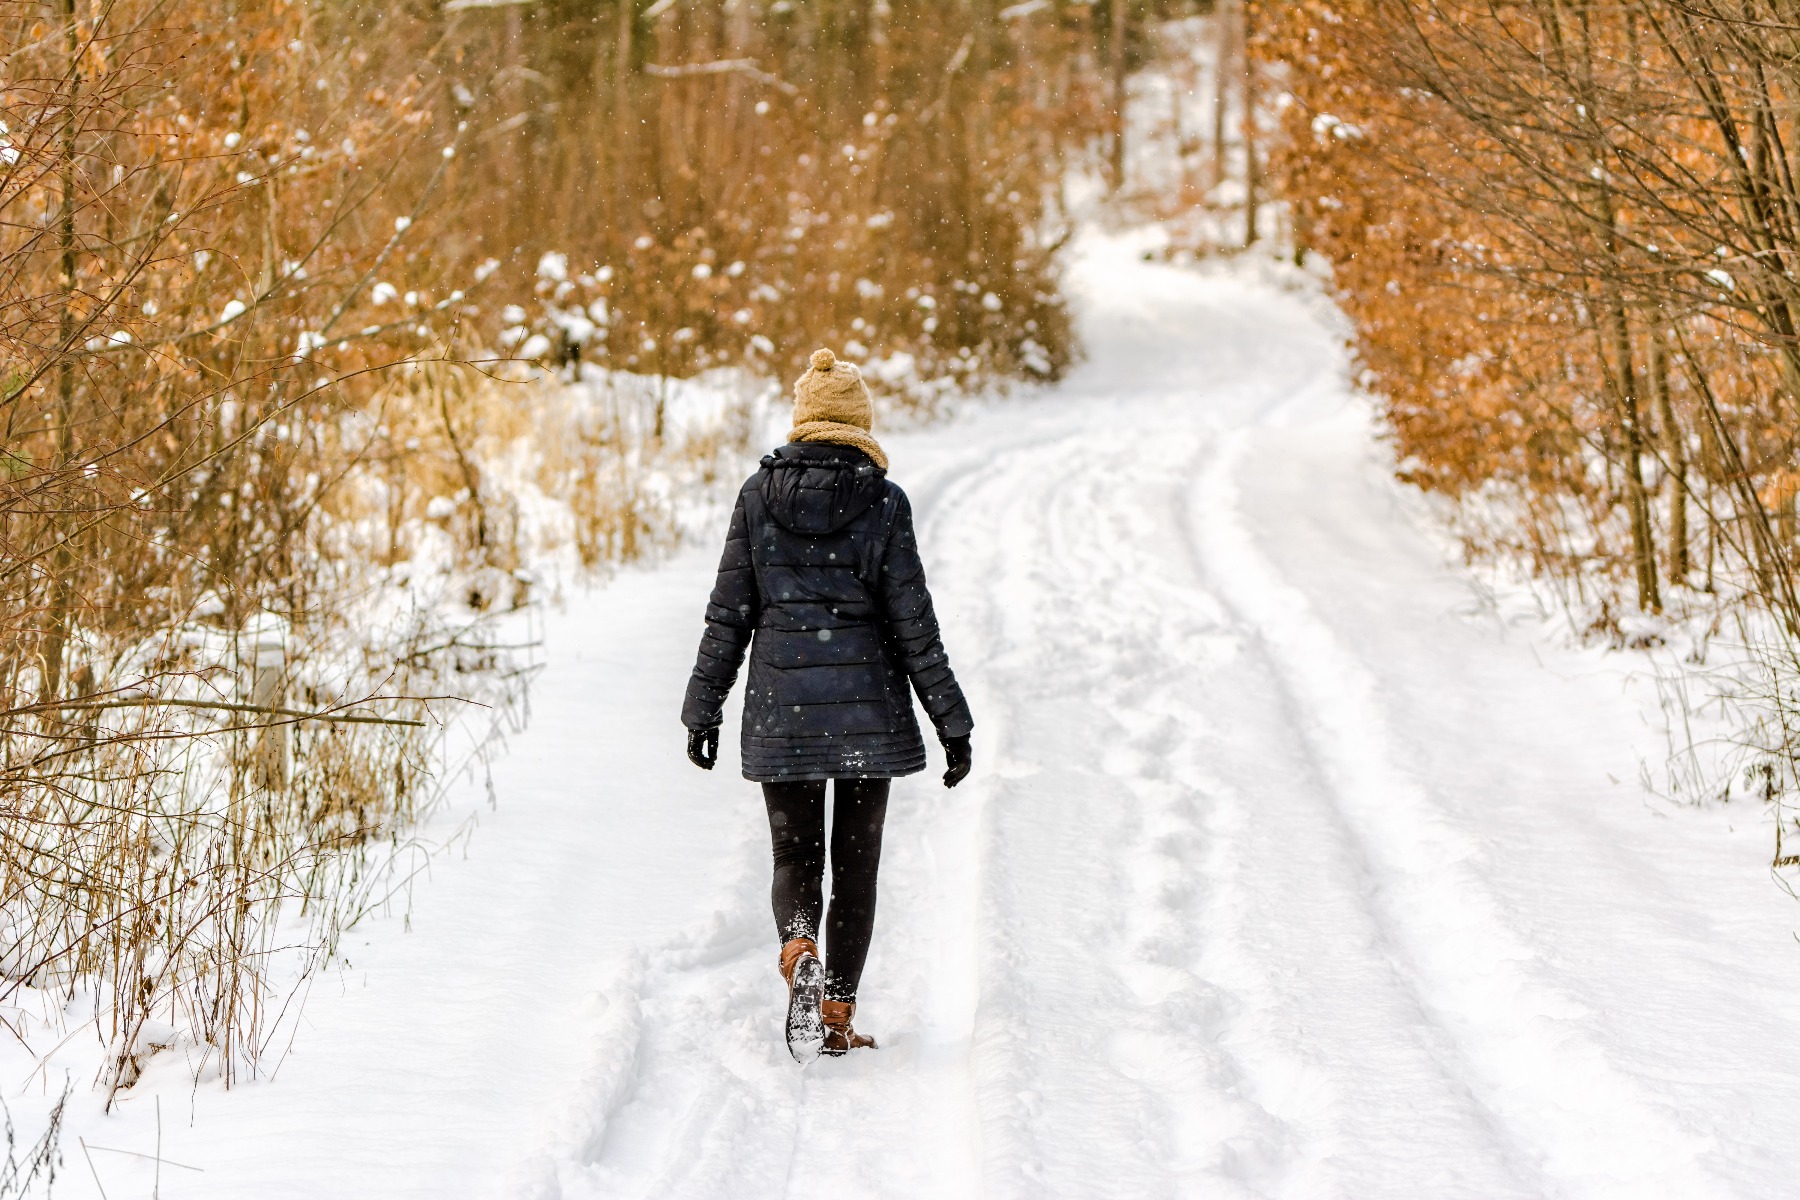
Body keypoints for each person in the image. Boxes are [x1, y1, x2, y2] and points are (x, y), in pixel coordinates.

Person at [682, 347, 974, 1064]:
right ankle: (838, 1011)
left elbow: (730, 614)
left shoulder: (758, 496)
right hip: (866, 717)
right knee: (856, 864)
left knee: (794, 855)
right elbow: (914, 623)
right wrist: (952, 723)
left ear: (803, 420)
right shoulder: (884, 500)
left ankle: (798, 949)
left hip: (785, 709)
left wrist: (703, 706)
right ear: (859, 423)